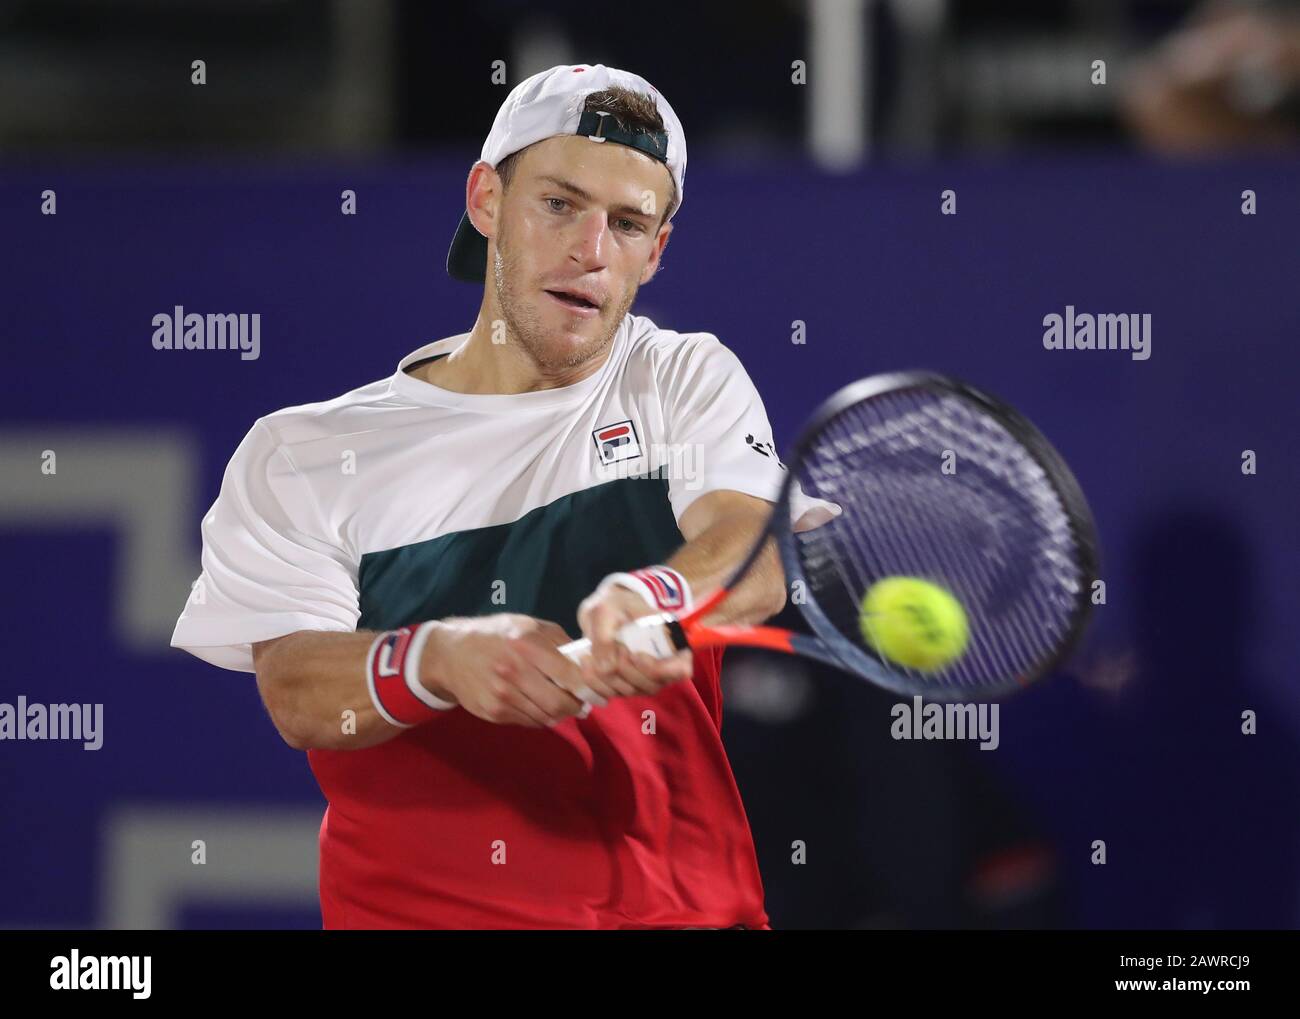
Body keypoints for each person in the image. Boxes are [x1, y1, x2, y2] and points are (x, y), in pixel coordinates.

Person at [171, 63, 834, 929]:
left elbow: (754, 549)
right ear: (487, 200)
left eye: (628, 223)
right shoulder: (304, 451)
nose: (591, 250)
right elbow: (300, 693)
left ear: (656, 249)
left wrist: (653, 595)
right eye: (559, 204)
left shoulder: (677, 378)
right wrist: (436, 660)